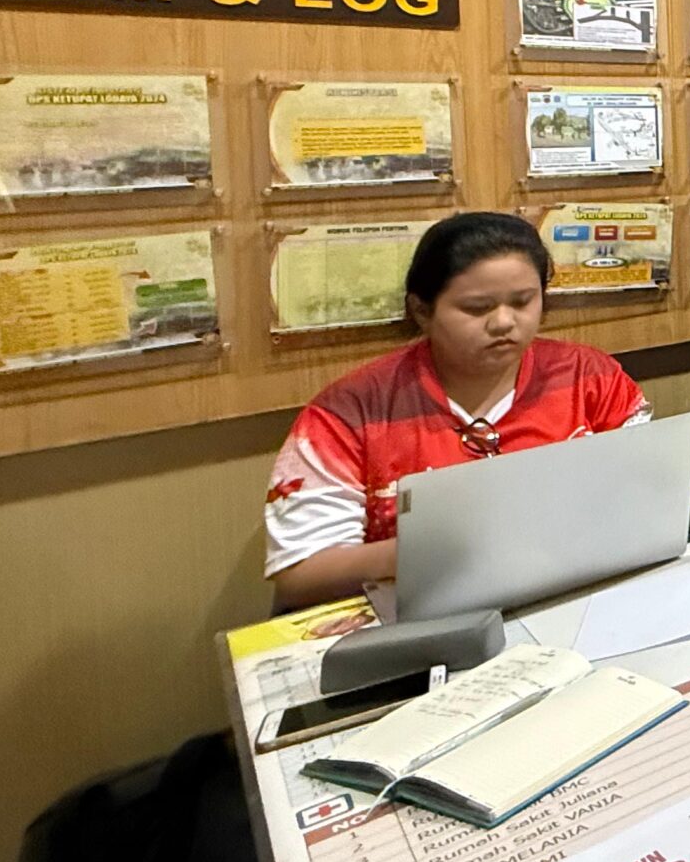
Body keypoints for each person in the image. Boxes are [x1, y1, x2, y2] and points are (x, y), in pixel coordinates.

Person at [264, 213, 650, 611]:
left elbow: (645, 496)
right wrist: (423, 554)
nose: (504, 322)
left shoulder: (589, 376)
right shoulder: (351, 412)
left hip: (568, 597)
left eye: (523, 302)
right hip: (417, 616)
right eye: (476, 308)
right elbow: (300, 573)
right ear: (422, 311)